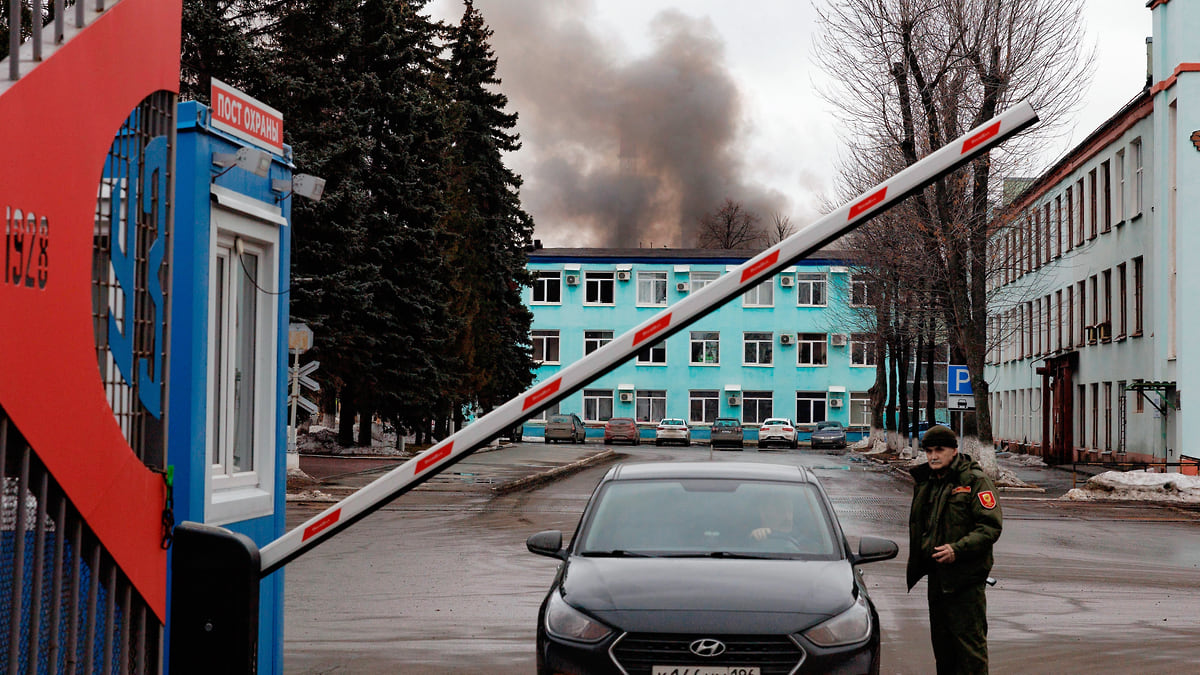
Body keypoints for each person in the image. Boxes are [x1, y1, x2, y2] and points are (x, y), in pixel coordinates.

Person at [907, 424, 1003, 674]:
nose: (933, 456)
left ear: (954, 450)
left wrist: (957, 549)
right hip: (938, 580)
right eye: (928, 451)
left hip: (965, 582)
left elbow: (990, 527)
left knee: (970, 652)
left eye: (939, 450)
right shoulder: (929, 482)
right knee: (943, 650)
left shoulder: (974, 481)